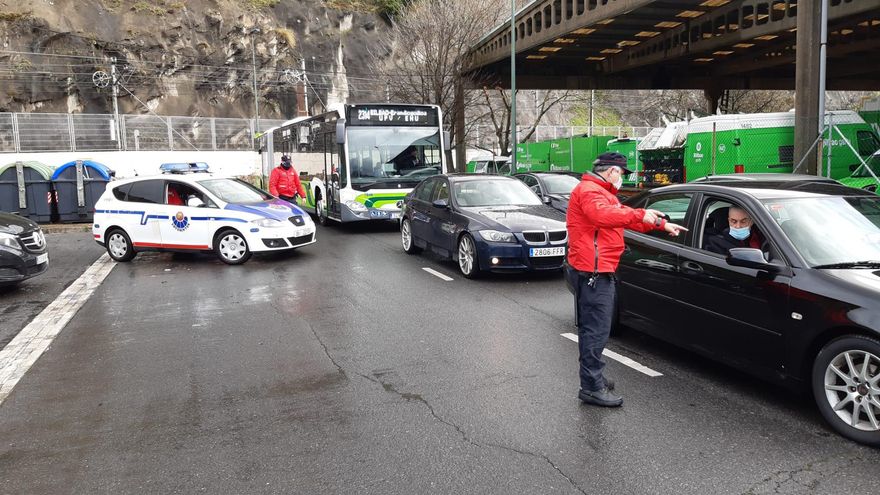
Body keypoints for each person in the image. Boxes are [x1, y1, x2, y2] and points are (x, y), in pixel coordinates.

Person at [567, 152, 687, 407]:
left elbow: (620, 215)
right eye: (621, 173)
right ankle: (591, 386)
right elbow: (604, 216)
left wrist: (658, 223)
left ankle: (593, 378)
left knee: (595, 330)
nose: (621, 178)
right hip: (593, 272)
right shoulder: (590, 191)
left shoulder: (600, 192)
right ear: (611, 171)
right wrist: (639, 215)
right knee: (595, 332)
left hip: (597, 269)